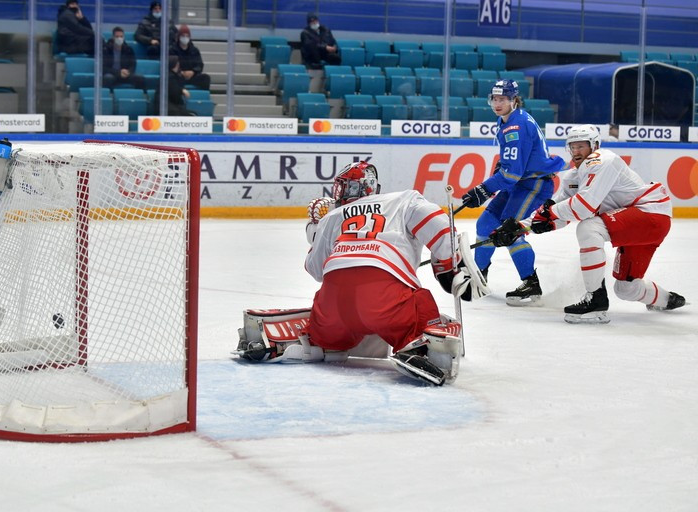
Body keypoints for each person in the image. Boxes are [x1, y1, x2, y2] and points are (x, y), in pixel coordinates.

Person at [289, 161, 487, 385]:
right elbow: (444, 233)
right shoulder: (405, 200)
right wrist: (447, 263)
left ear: (351, 188)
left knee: (332, 322)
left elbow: (315, 270)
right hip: (385, 303)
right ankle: (420, 346)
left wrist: (314, 230)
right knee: (420, 300)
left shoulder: (331, 217)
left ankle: (321, 340)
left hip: (333, 309)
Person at [489, 124, 686, 323]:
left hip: (650, 214)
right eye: (572, 147)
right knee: (626, 289)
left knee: (589, 227)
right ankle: (667, 299)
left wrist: (548, 215)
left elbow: (583, 207)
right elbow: (556, 210)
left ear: (595, 145)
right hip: (636, 225)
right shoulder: (574, 177)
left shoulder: (603, 160)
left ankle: (596, 300)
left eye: (581, 146)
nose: (576, 152)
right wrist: (519, 227)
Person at [460, 79, 566, 306]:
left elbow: (512, 174)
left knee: (510, 230)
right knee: (485, 224)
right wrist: (493, 182)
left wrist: (484, 188)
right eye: (494, 99)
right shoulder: (507, 120)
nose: (497, 103)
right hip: (520, 182)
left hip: (533, 184)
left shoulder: (515, 127)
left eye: (503, 99)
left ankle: (531, 283)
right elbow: (512, 167)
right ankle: (479, 275)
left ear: (514, 100)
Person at [169, 25, 211, 90]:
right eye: (183, 36)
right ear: (179, 37)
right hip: (179, 76)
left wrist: (193, 72)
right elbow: (171, 65)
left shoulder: (194, 50)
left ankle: (203, 98)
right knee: (172, 78)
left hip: (192, 76)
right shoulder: (172, 50)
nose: (185, 38)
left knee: (205, 78)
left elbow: (199, 64)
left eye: (187, 36)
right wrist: (181, 73)